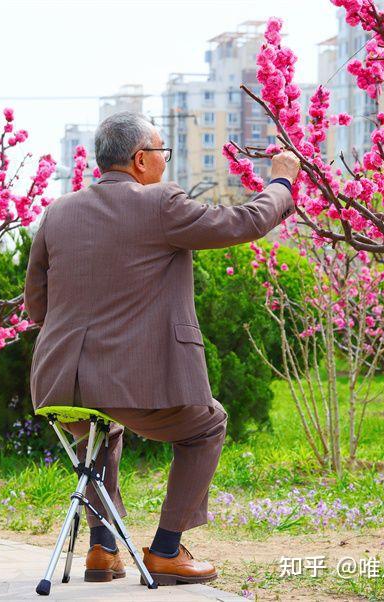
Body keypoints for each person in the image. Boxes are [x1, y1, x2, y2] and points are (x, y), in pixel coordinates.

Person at [24, 111, 299, 586]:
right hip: (133, 385)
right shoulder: (159, 203)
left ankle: (102, 548)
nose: (165, 165)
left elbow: (36, 306)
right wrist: (281, 181)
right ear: (139, 159)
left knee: (99, 432)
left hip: (56, 383)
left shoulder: (57, 212)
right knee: (207, 425)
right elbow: (247, 221)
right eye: (161, 154)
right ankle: (168, 550)